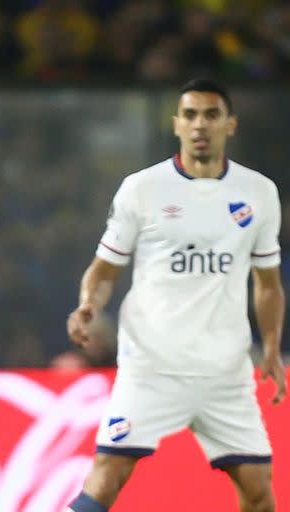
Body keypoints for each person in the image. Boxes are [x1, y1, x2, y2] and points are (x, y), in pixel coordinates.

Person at [66, 79, 286, 512]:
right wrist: (89, 302)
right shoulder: (142, 189)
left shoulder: (259, 192)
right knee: (106, 480)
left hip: (224, 372)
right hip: (152, 366)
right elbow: (105, 269)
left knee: (260, 493)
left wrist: (274, 349)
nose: (199, 124)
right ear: (176, 125)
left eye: (210, 115)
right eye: (190, 115)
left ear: (230, 125)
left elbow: (267, 283)